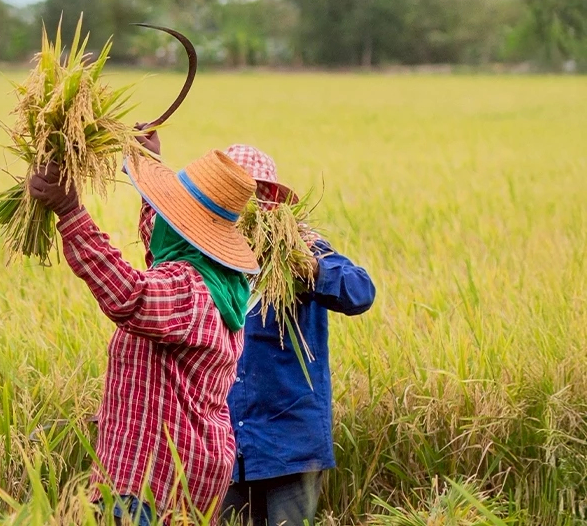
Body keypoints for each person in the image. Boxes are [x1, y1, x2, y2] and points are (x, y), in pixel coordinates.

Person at [26, 126, 260, 525]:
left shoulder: (188, 292)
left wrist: (70, 212)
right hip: (188, 475)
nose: (164, 217)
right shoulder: (222, 283)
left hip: (153, 481)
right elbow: (162, 242)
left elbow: (129, 295)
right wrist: (146, 161)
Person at [218, 144, 376, 526]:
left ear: (268, 197)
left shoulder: (301, 246)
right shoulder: (213, 256)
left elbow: (360, 291)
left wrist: (310, 269)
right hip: (223, 447)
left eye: (249, 193)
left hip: (289, 444)